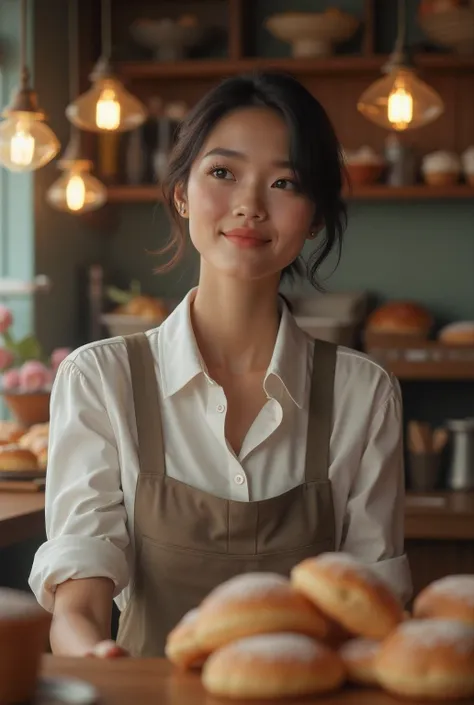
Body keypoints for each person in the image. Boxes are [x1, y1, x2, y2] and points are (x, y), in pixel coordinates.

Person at [29, 71, 412, 659]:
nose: (249, 206)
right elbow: (78, 597)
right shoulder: (100, 379)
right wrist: (94, 657)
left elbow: (372, 610)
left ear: (314, 216)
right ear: (182, 192)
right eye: (223, 173)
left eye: (284, 181)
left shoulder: (365, 393)